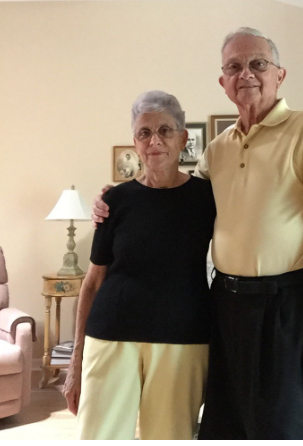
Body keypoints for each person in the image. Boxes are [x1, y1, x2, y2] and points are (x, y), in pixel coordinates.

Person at [93, 28, 303, 440]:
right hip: (225, 305)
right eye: (234, 67)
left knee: (284, 429)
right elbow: (169, 193)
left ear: (279, 74)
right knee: (223, 428)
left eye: (258, 64)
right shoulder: (218, 149)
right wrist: (116, 197)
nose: (246, 74)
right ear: (223, 82)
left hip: (288, 305)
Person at [63, 91, 216, 440]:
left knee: (170, 437)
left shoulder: (208, 198)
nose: (154, 140)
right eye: (144, 132)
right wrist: (75, 362)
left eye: (165, 130)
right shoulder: (114, 201)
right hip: (110, 335)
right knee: (99, 436)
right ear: (135, 141)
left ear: (182, 138)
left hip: (183, 340)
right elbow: (92, 281)